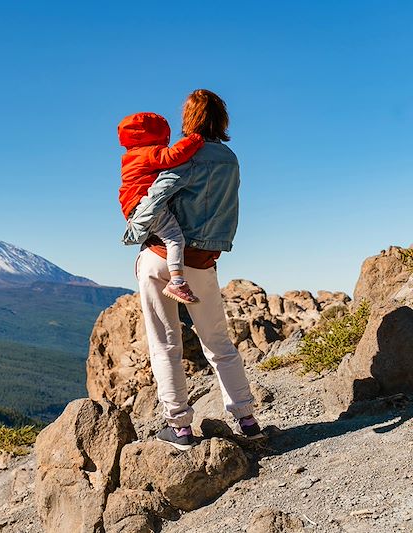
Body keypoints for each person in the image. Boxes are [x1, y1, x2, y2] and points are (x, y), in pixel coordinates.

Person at [125, 89, 263, 450]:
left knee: (165, 344)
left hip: (159, 257)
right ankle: (247, 420)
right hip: (202, 262)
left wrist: (135, 227)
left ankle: (180, 428)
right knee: (218, 343)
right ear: (222, 119)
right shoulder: (230, 160)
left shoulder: (186, 155)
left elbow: (155, 198)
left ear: (190, 119)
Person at [118, 112, 203, 305]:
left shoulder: (130, 156)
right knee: (174, 237)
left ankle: (149, 268)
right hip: (144, 204)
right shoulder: (148, 153)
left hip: (133, 206)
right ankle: (177, 282)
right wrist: (195, 139)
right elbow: (172, 156)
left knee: (160, 234)